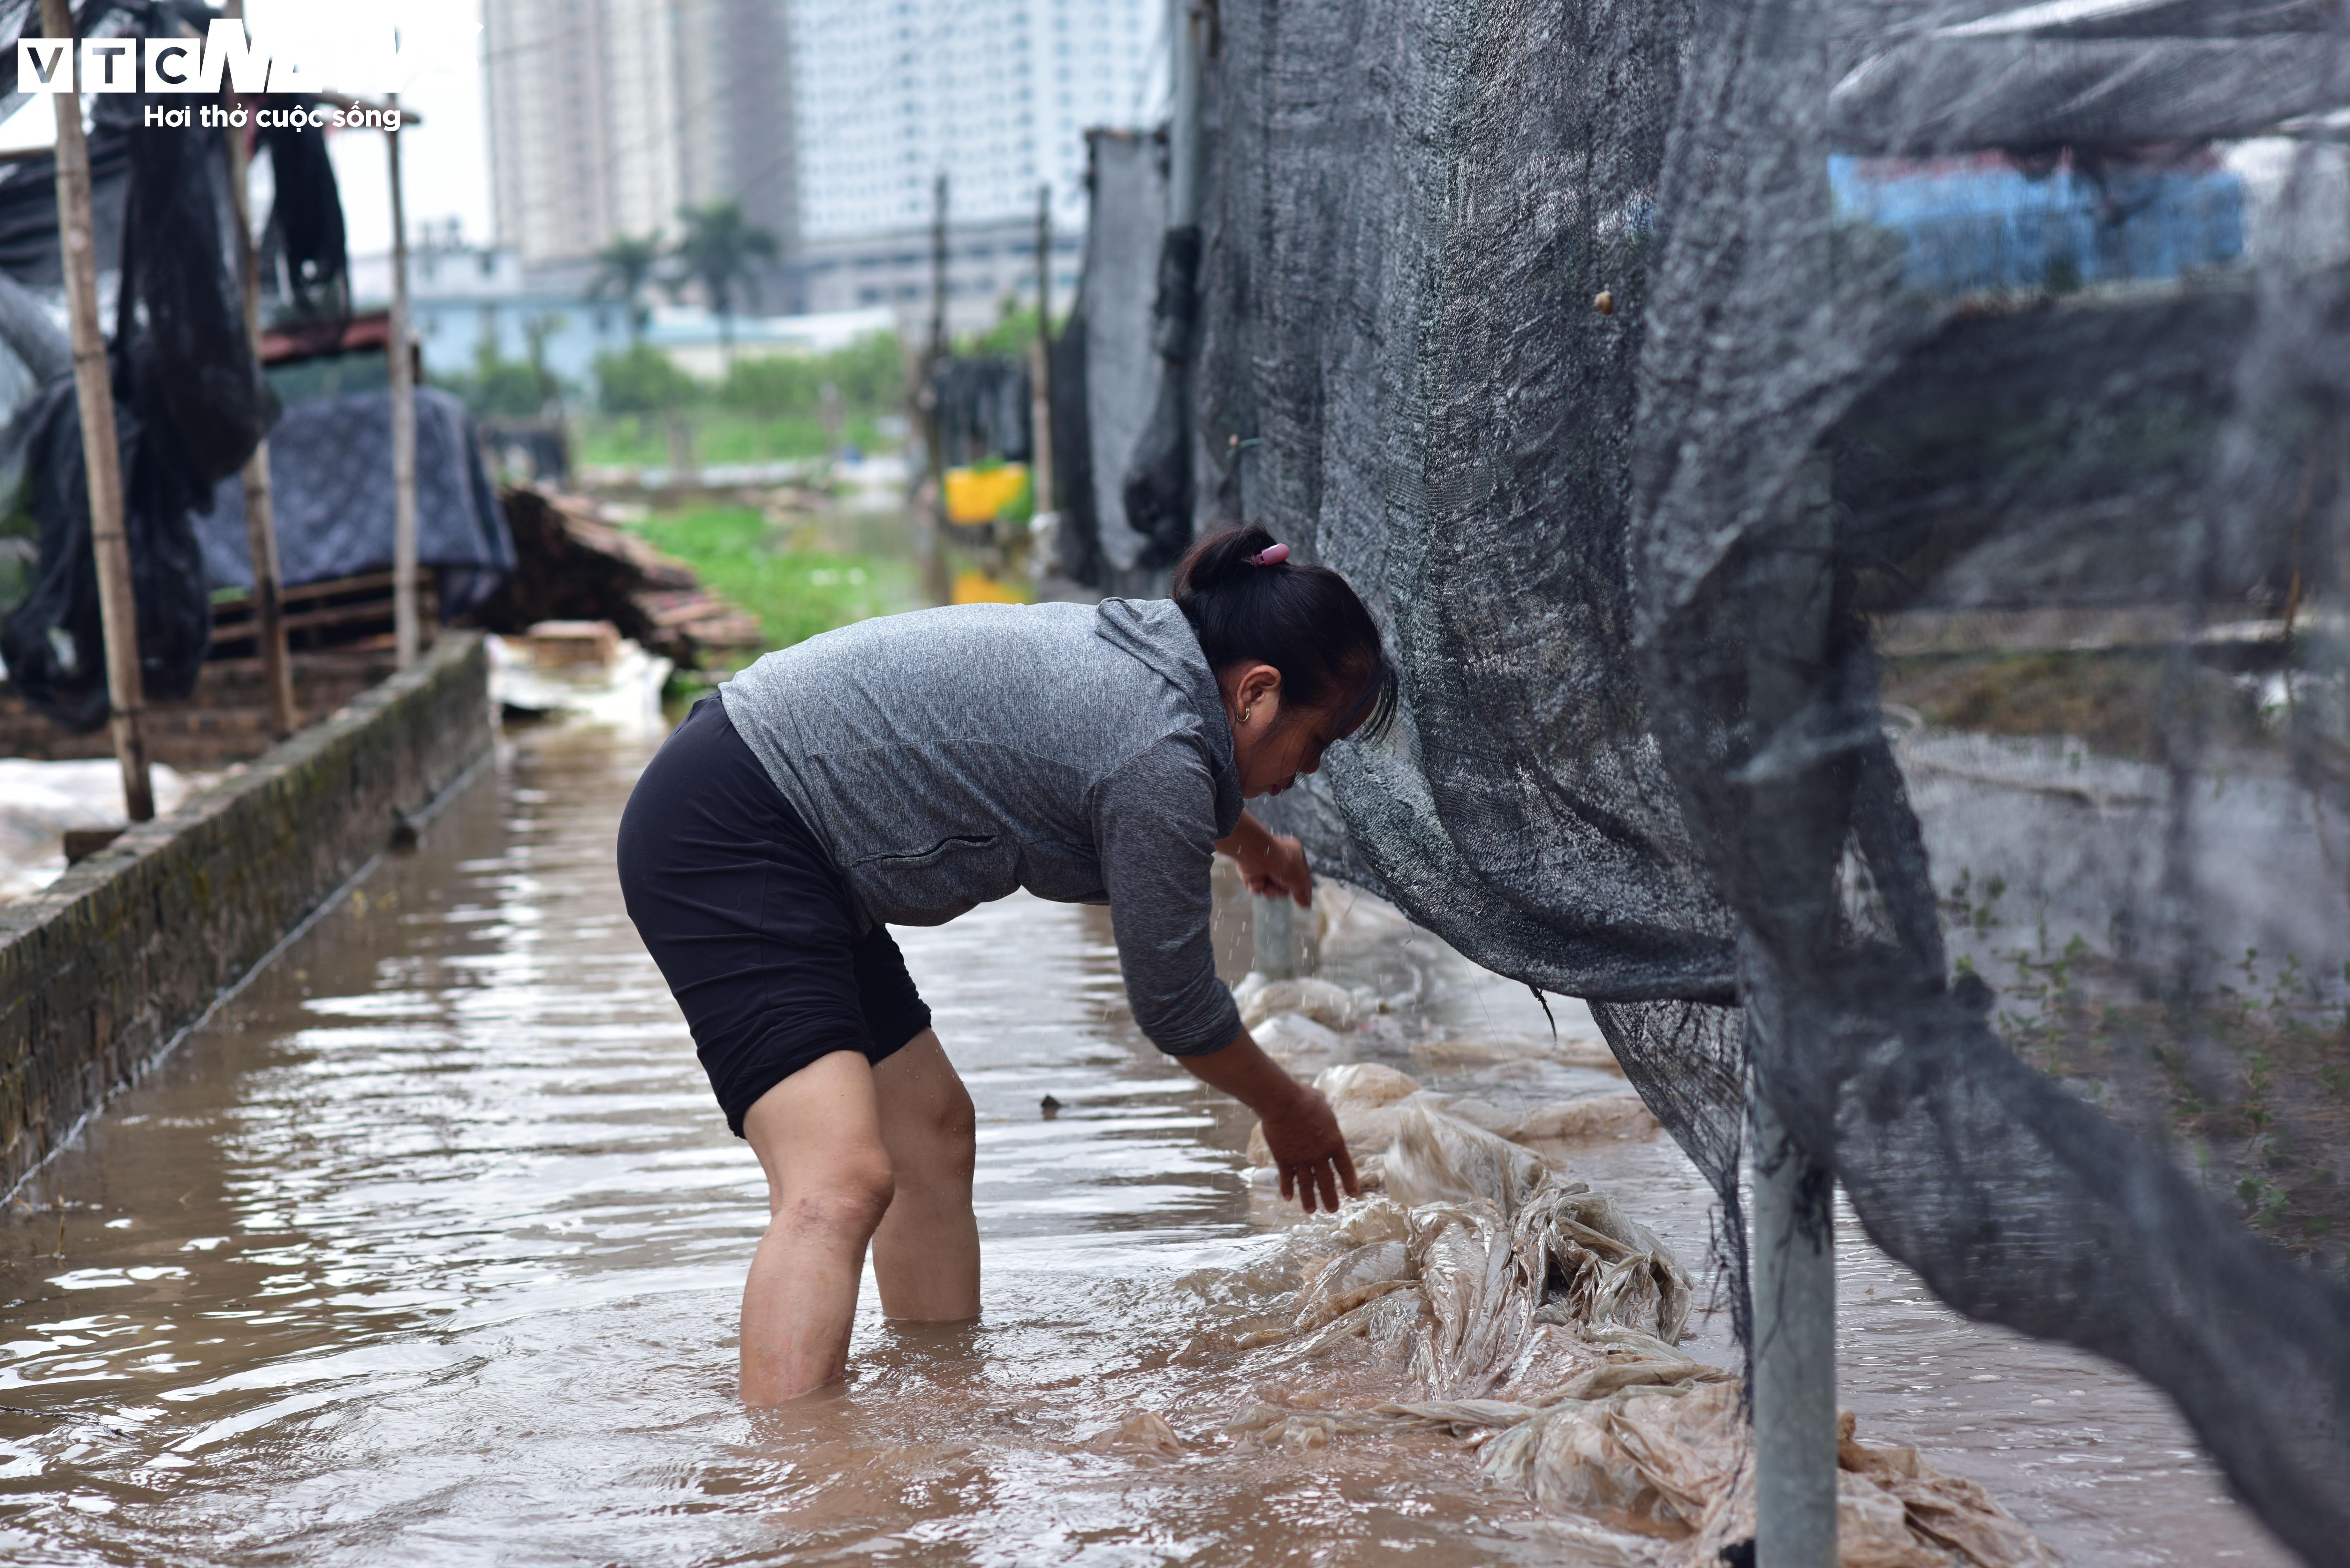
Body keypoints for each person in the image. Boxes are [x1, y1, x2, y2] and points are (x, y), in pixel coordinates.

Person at [615, 523, 1398, 1403]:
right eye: (1319, 743)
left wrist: (1251, 842)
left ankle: (943, 1402)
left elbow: (1147, 759)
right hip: (735, 829)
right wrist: (1288, 1107)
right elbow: (1178, 1008)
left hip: (765, 810)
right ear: (1256, 692)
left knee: (932, 1135)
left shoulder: (1159, 668)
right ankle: (805, 1495)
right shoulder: (1160, 753)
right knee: (835, 1181)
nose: (1308, 772)